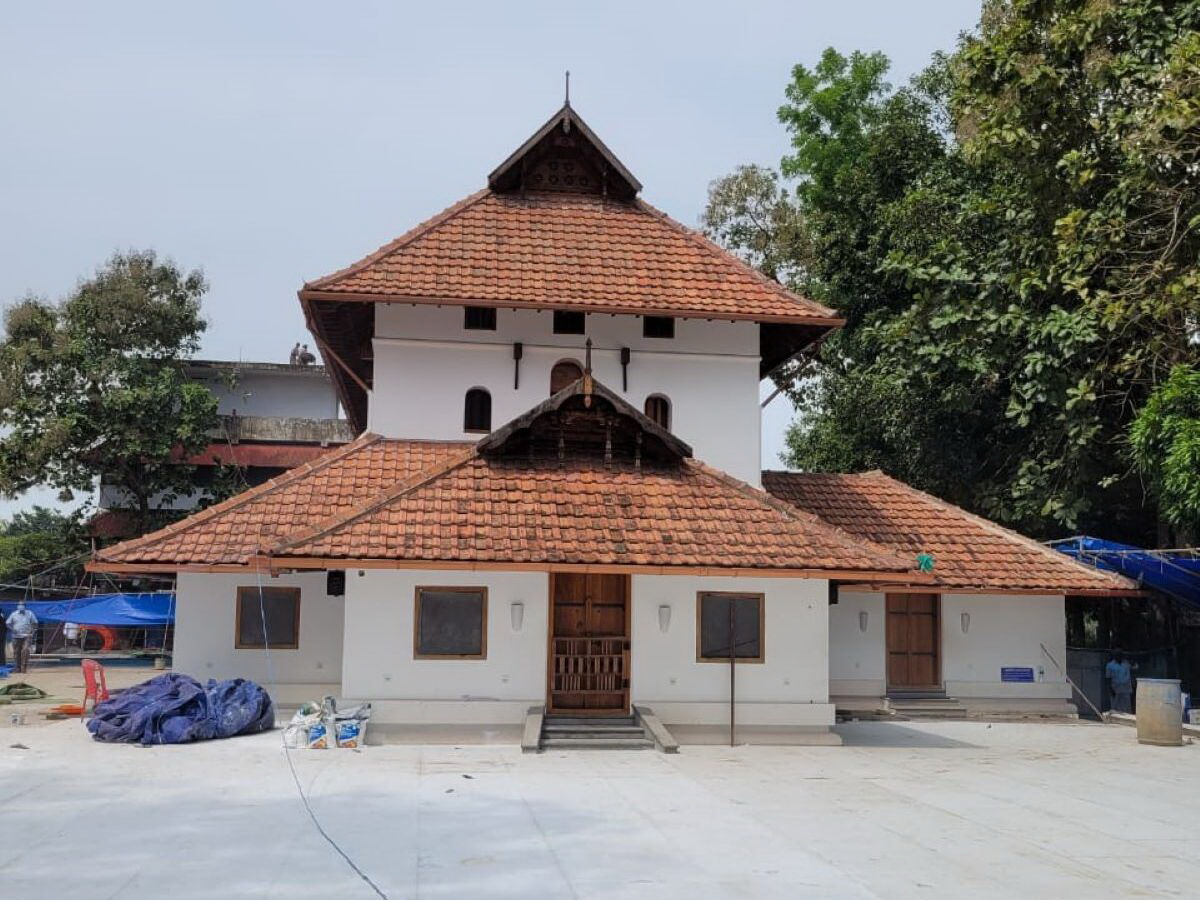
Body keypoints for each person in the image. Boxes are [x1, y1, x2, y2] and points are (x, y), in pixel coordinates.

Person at [6, 601, 39, 674]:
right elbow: (7, 623)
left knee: (25, 650)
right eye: (19, 605)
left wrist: (32, 631)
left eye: (22, 605)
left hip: (26, 636)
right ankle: (17, 668)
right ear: (17, 606)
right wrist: (12, 629)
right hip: (16, 636)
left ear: (25, 606)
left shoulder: (29, 613)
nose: (21, 606)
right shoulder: (13, 614)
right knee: (16, 652)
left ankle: (24, 667)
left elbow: (35, 623)